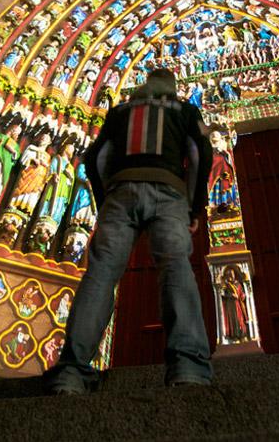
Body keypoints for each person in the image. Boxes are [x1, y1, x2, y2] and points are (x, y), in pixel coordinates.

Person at [46, 68, 213, 394]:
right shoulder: (185, 110)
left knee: (102, 273)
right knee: (175, 268)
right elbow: (199, 154)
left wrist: (105, 197)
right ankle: (188, 368)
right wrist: (195, 207)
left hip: (120, 196)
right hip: (169, 195)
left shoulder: (121, 111)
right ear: (173, 89)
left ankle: (72, 372)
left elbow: (96, 157)